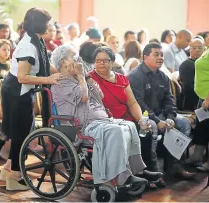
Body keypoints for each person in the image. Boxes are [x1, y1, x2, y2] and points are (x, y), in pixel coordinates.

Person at [51, 44, 162, 187]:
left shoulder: (79, 79)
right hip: (81, 127)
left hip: (100, 120)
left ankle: (137, 170)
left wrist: (86, 77)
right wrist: (81, 77)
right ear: (64, 62)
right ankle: (121, 177)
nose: (78, 59)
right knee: (116, 130)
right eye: (73, 56)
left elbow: (100, 95)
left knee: (129, 126)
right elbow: (84, 97)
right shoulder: (60, 83)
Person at [0, 8, 62, 191]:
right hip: (17, 91)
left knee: (22, 132)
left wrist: (61, 74)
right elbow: (23, 77)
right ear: (39, 24)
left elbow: (43, 64)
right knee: (21, 134)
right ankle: (15, 178)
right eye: (47, 22)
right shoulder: (27, 45)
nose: (49, 26)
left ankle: (9, 169)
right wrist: (48, 80)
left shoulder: (37, 40)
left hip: (20, 90)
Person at [89, 47, 165, 188]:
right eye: (97, 60)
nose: (101, 63)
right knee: (131, 132)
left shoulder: (122, 79)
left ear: (112, 62)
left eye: (105, 60)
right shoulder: (90, 79)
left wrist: (141, 120)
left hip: (127, 119)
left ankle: (143, 172)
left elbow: (132, 102)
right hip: (108, 122)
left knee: (147, 130)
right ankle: (132, 175)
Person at [128, 43, 195, 180]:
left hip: (162, 114)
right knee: (152, 125)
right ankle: (153, 170)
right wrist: (159, 122)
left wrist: (170, 117)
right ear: (145, 57)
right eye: (156, 54)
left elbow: (169, 100)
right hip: (143, 116)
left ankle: (175, 165)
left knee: (184, 124)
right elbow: (139, 104)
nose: (160, 57)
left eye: (162, 55)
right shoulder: (135, 75)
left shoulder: (163, 76)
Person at [185, 48, 209, 171]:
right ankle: (197, 155)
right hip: (202, 97)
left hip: (207, 98)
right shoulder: (206, 50)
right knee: (202, 128)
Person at [179, 38, 205, 111]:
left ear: (204, 48)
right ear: (189, 49)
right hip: (193, 104)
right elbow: (189, 88)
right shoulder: (187, 65)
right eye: (194, 48)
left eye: (200, 47)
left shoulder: (203, 64)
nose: (197, 50)